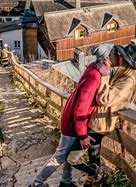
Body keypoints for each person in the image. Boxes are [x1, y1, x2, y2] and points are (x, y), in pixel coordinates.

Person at [30, 44, 115, 187]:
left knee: (69, 154)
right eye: (112, 54)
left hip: (74, 120)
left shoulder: (93, 67)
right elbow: (81, 108)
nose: (115, 56)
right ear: (106, 58)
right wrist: (82, 135)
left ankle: (66, 181)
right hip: (73, 123)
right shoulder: (95, 76)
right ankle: (36, 184)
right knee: (60, 156)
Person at [84, 43, 136, 183]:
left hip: (101, 123)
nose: (115, 56)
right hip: (98, 120)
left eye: (118, 55)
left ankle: (93, 180)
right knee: (93, 154)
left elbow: (104, 99)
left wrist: (104, 75)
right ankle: (94, 179)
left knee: (89, 155)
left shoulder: (128, 81)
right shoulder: (122, 74)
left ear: (123, 59)